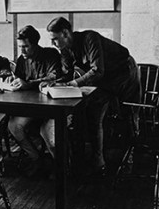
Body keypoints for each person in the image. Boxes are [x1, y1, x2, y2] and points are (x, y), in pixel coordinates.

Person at [41, 17, 141, 176]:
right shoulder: (65, 49)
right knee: (90, 113)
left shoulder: (90, 38)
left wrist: (74, 84)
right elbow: (67, 74)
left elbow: (97, 70)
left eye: (54, 39)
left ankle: (127, 162)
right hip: (103, 79)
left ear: (66, 33)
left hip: (124, 74)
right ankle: (92, 161)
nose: (52, 43)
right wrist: (52, 82)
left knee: (127, 114)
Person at [7, 25, 62, 178]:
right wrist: (13, 82)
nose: (22, 51)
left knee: (49, 135)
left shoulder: (50, 54)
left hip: (53, 107)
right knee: (14, 126)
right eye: (20, 47)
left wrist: (28, 84)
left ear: (35, 44)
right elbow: (18, 80)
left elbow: (53, 77)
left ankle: (61, 167)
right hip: (32, 107)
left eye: (25, 47)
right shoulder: (21, 60)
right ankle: (36, 159)